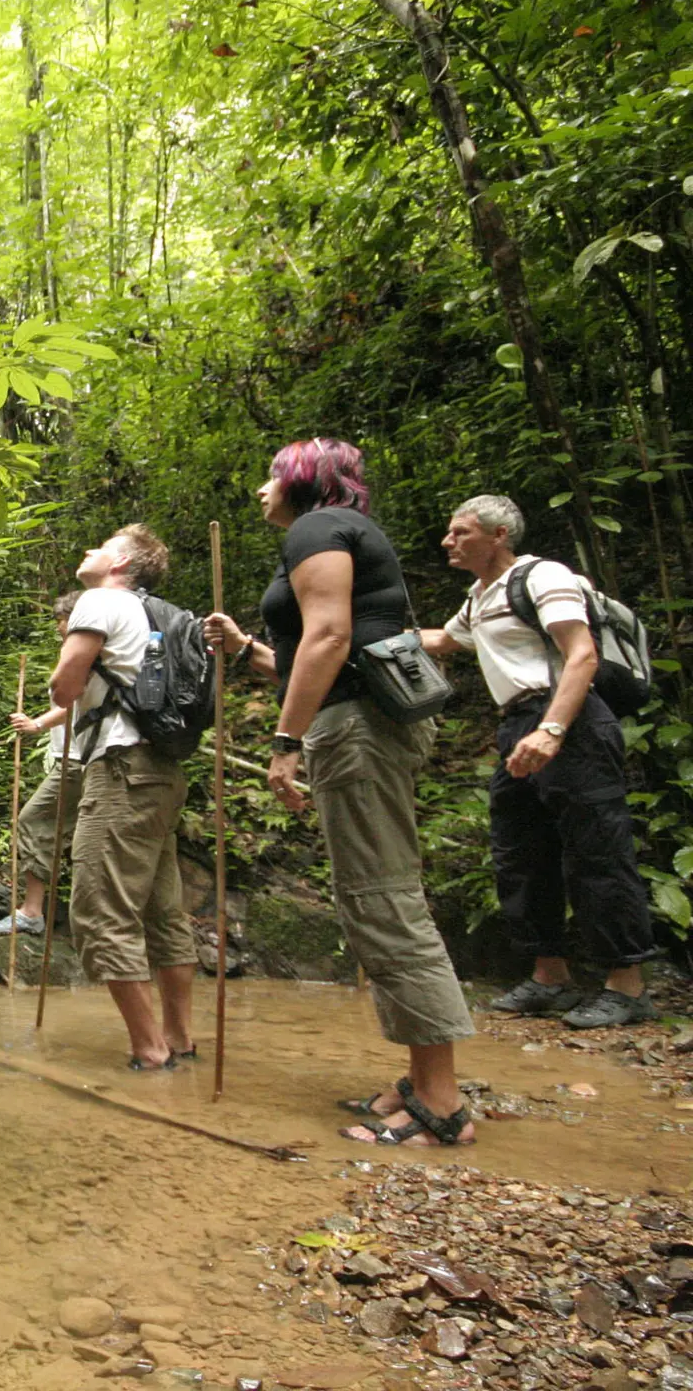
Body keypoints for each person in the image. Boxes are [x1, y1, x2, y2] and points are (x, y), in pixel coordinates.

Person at [204, 438, 476, 1148]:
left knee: (384, 899)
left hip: (356, 730)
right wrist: (245, 648)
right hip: (360, 721)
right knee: (373, 898)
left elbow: (329, 639)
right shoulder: (328, 531)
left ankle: (442, 1105)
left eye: (270, 475)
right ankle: (421, 1078)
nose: (262, 489)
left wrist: (284, 745)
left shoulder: (316, 527)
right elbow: (308, 659)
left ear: (300, 481)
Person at [417, 496, 656, 1028]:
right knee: (520, 851)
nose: (447, 541)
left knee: (597, 848)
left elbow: (582, 654)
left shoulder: (542, 576)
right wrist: (364, 639)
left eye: (460, 532)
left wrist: (552, 728)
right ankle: (550, 976)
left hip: (568, 720)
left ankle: (628, 985)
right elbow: (445, 640)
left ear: (499, 535)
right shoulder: (480, 596)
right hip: (516, 727)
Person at [47, 526, 198, 1071]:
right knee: (161, 910)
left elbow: (66, 686)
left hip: (122, 767)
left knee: (99, 907)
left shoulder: (100, 600)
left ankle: (149, 1049)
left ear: (122, 563)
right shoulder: (167, 614)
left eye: (101, 545)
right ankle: (179, 1038)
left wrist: (61, 683)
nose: (88, 550)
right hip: (163, 771)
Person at [0, 590, 85, 936]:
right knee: (71, 834)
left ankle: (32, 911)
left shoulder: (88, 650)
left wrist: (38, 724)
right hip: (74, 758)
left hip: (77, 761)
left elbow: (77, 702)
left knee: (34, 821)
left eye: (60, 620)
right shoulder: (82, 649)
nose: (58, 627)